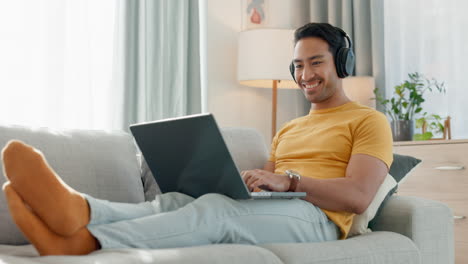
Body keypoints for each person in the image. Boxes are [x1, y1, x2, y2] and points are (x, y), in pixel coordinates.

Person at [1, 23, 393, 256]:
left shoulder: (368, 121)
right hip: (281, 208)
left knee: (216, 213)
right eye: (297, 65)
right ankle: (80, 210)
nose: (305, 74)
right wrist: (248, 179)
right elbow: (266, 184)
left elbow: (357, 196)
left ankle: (88, 242)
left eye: (316, 62)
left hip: (320, 220)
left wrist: (289, 181)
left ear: (342, 64)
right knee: (178, 200)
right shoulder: (289, 128)